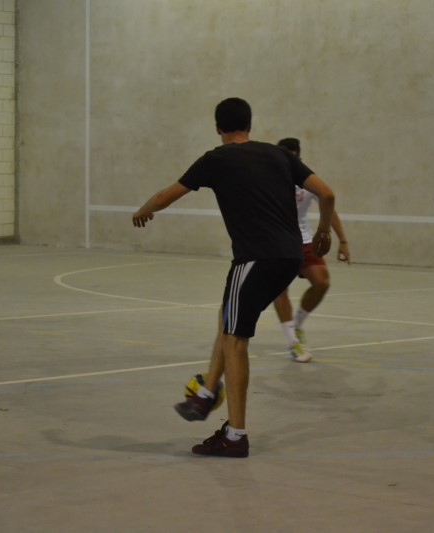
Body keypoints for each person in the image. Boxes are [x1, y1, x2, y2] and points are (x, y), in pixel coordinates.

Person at [131, 98, 335, 457]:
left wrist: (144, 210)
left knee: (236, 341)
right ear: (249, 124)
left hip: (255, 257)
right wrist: (324, 232)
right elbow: (327, 193)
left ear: (217, 128)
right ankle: (206, 394)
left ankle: (235, 436)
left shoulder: (216, 159)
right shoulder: (279, 155)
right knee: (228, 319)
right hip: (290, 257)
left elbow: (166, 196)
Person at [272, 138, 350, 363]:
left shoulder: (307, 180)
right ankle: (292, 342)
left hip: (304, 240)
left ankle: (297, 325)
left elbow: (328, 205)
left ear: (299, 158)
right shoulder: (268, 179)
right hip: (277, 242)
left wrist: (342, 240)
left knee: (322, 282)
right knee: (279, 289)